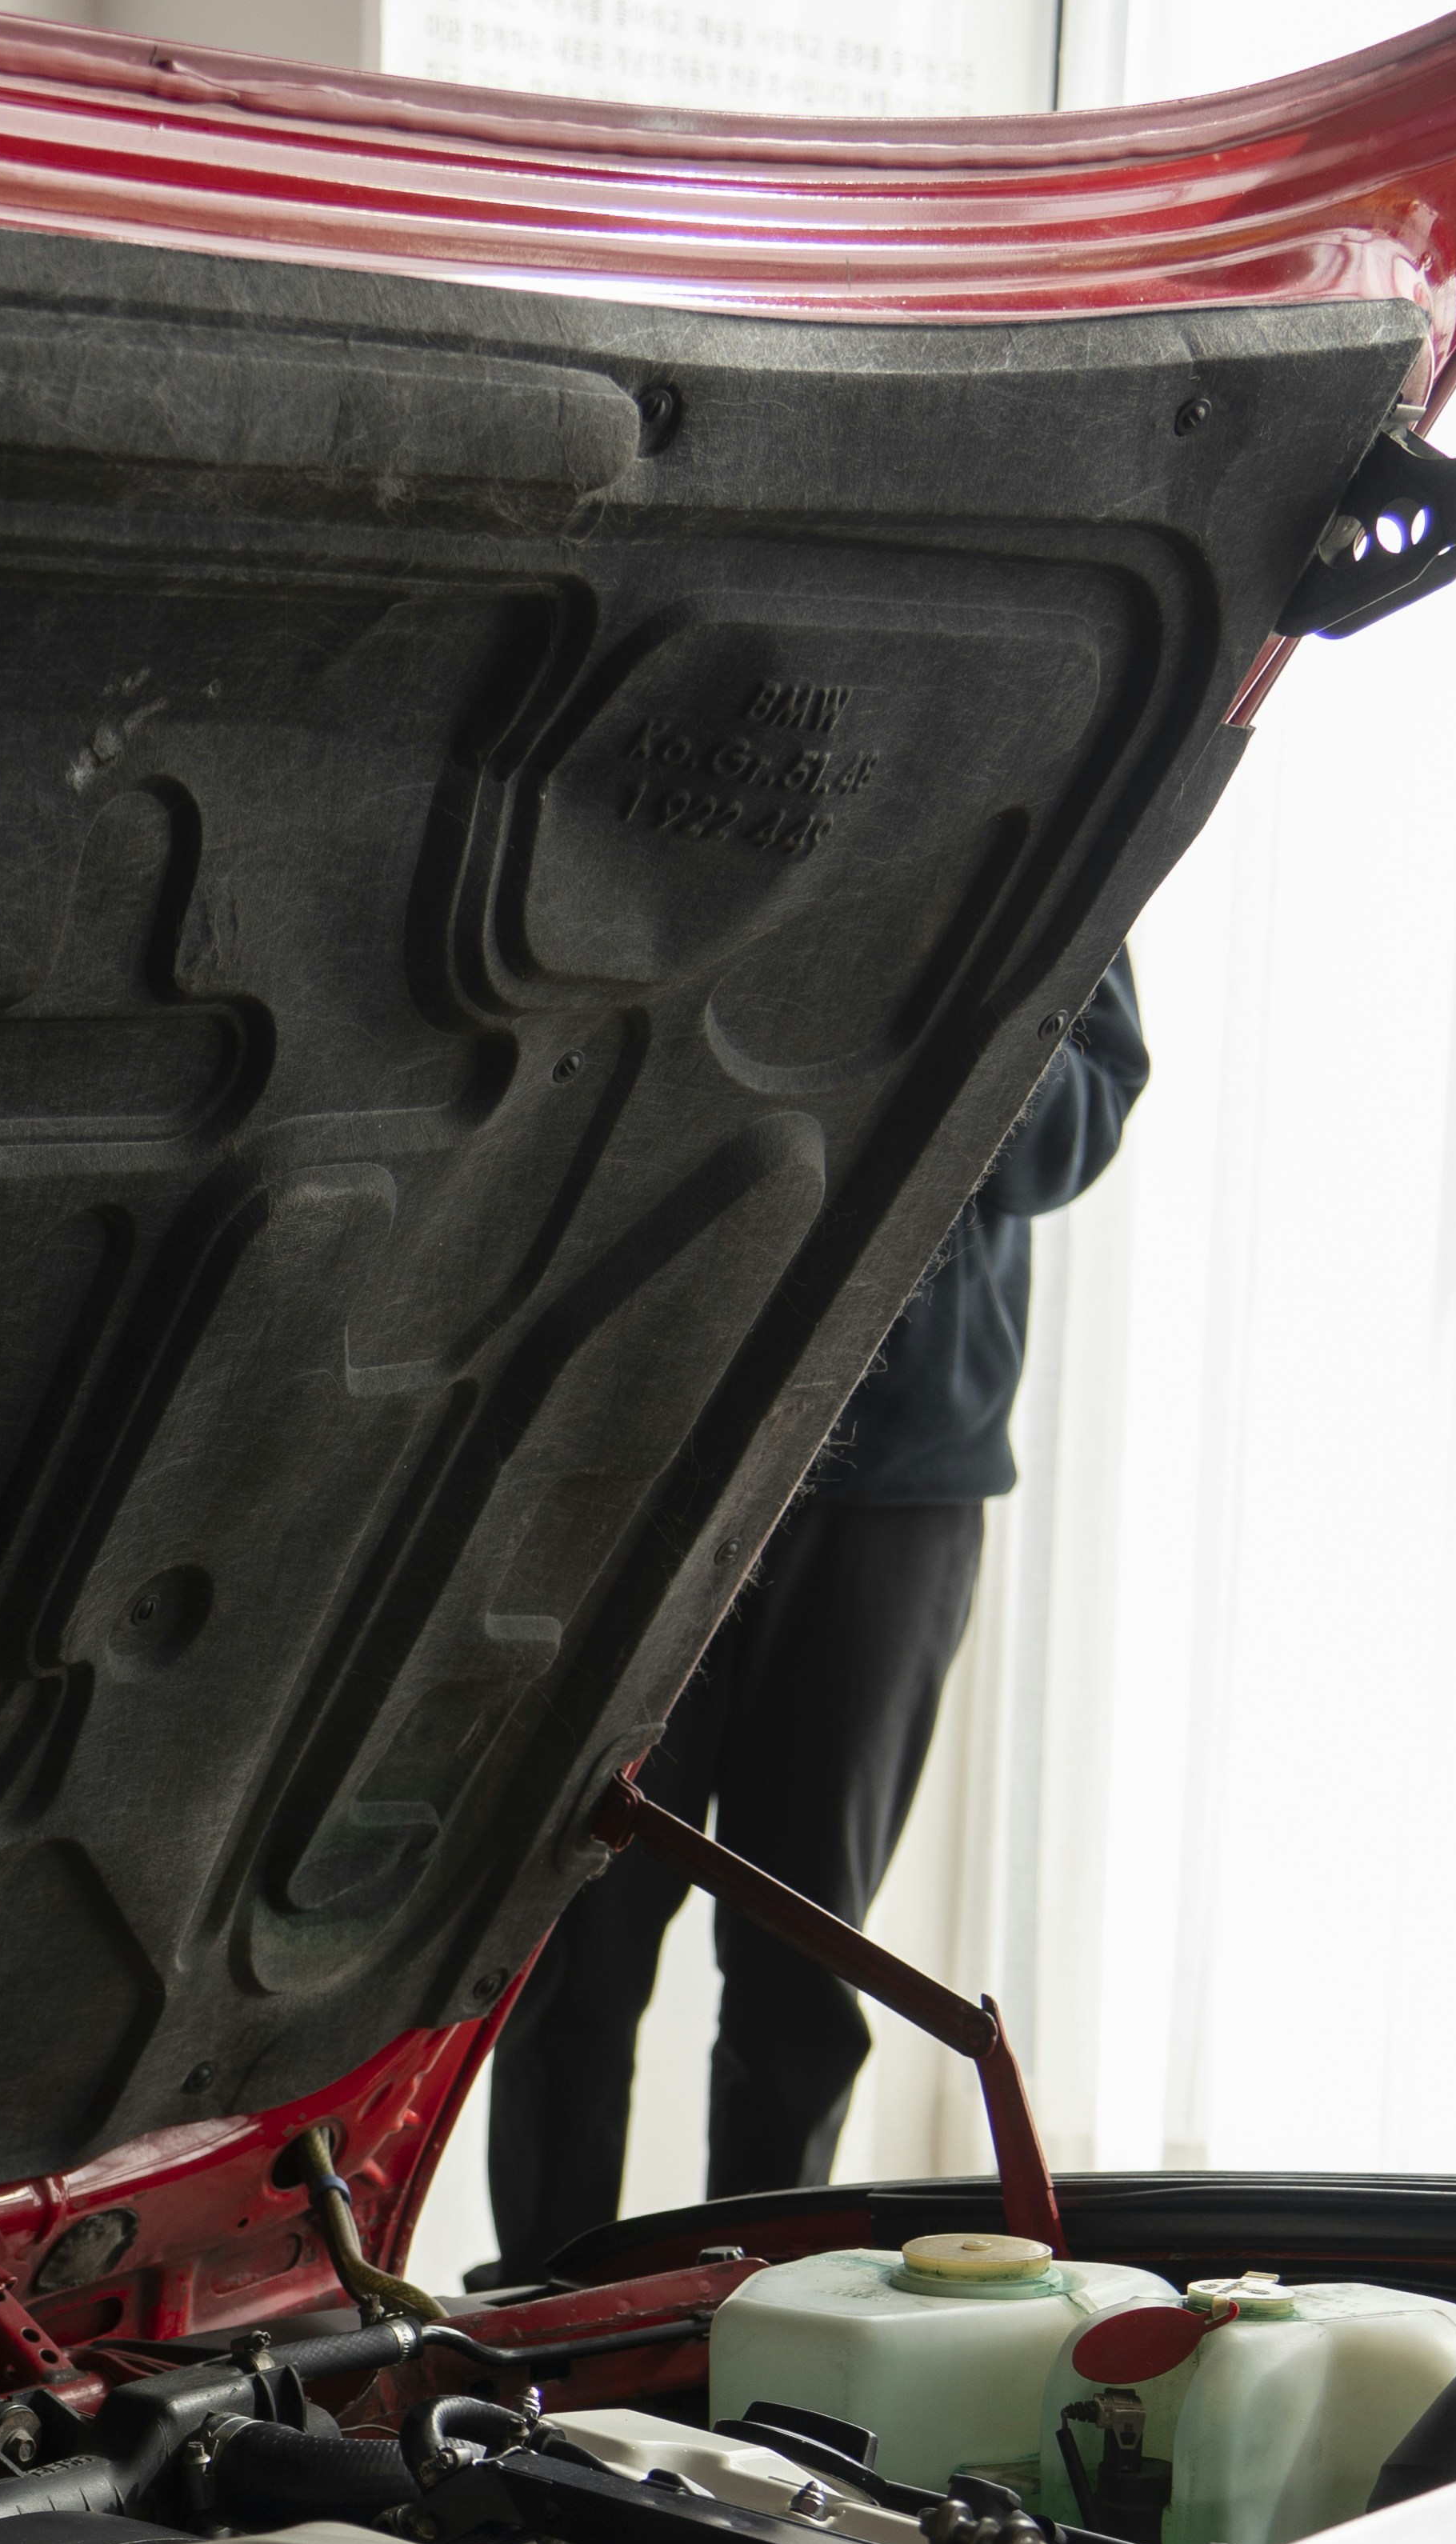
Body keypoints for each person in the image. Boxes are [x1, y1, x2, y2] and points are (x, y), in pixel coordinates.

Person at [480, 948, 1149, 2275]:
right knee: (571, 1951)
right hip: (634, 1467)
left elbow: (1071, 1131)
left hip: (896, 1488)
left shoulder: (1059, 766)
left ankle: (761, 2336)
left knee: (803, 1965)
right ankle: (542, 2330)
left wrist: (941, 1019)